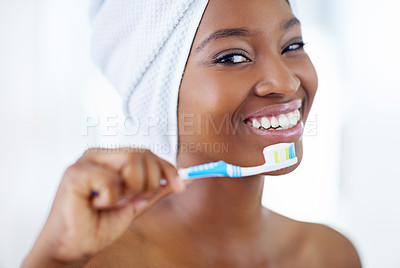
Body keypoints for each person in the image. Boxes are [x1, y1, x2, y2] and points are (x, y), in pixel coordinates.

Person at [22, 0, 362, 267]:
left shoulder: (332, 255)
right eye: (232, 57)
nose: (286, 82)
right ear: (157, 94)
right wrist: (54, 260)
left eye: (292, 45)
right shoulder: (94, 261)